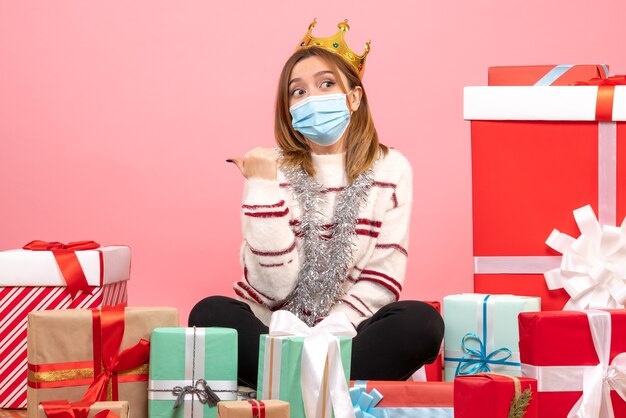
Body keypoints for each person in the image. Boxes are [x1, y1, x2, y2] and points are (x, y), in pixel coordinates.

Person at [189, 19, 444, 389]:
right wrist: (260, 187)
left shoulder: (393, 167)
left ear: (353, 97)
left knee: (422, 322)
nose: (311, 98)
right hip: (272, 327)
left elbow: (382, 277)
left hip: (351, 333)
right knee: (208, 313)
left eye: (326, 84)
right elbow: (274, 287)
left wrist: (332, 332)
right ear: (289, 108)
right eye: (298, 92)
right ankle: (327, 385)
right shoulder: (270, 167)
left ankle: (287, 383)